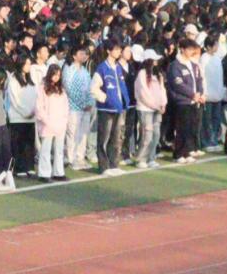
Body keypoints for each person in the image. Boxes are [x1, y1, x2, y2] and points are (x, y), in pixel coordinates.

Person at [90, 40, 130, 176]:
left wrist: (124, 101)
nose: (119, 52)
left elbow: (121, 86)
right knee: (104, 138)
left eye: (120, 49)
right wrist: (106, 99)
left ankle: (114, 164)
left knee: (116, 137)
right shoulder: (102, 68)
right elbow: (93, 89)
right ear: (108, 51)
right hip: (106, 109)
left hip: (119, 108)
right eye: (116, 49)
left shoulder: (118, 67)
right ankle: (104, 166)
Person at [167, 39, 205, 164]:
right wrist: (192, 94)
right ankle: (178, 153)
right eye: (189, 49)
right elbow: (178, 84)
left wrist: (200, 93)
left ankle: (187, 151)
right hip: (182, 101)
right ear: (182, 49)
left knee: (191, 127)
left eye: (192, 49)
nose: (191, 52)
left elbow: (199, 80)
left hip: (194, 101)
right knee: (182, 128)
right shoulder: (175, 65)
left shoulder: (193, 65)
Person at [35, 65, 69, 182]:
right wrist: (46, 120)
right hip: (47, 124)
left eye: (59, 75)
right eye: (54, 74)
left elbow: (65, 106)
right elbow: (39, 107)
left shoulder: (61, 90)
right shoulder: (43, 88)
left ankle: (58, 172)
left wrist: (64, 120)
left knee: (59, 149)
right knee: (46, 149)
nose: (56, 77)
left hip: (60, 123)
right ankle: (44, 173)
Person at [63, 46, 94, 170]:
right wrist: (82, 103)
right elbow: (69, 88)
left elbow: (90, 88)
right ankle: (71, 159)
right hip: (73, 108)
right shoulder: (69, 70)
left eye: (85, 54)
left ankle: (80, 158)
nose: (84, 56)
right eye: (81, 53)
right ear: (74, 56)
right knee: (73, 134)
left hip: (85, 109)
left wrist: (90, 102)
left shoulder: (85, 71)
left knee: (83, 134)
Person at [134, 52, 167, 169]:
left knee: (156, 134)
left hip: (157, 109)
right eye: (154, 59)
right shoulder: (142, 74)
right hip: (145, 109)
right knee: (147, 135)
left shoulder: (158, 74)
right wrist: (155, 105)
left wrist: (163, 104)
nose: (156, 61)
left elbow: (162, 90)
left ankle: (151, 158)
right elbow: (143, 93)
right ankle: (141, 159)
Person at [6, 56, 38, 177]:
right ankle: (19, 168)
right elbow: (15, 100)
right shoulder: (13, 79)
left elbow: (35, 96)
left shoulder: (30, 79)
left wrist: (33, 111)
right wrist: (26, 112)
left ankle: (29, 166)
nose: (29, 66)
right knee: (18, 144)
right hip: (18, 117)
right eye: (27, 64)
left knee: (29, 143)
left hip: (31, 117)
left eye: (30, 64)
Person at [200, 34, 227, 152]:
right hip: (207, 94)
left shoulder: (217, 58)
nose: (217, 47)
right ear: (208, 46)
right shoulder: (203, 58)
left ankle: (214, 140)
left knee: (216, 119)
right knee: (207, 120)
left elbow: (219, 76)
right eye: (215, 45)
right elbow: (202, 76)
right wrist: (203, 92)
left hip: (217, 93)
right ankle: (206, 142)